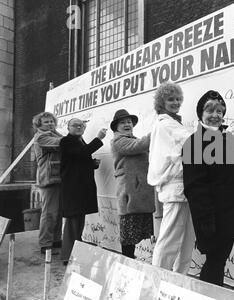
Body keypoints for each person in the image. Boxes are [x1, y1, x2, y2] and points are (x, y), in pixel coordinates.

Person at [182, 90, 234, 286]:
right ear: (200, 112)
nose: (216, 115)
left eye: (220, 110)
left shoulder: (224, 139)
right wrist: (206, 220)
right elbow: (194, 187)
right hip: (213, 218)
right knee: (215, 263)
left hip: (230, 214)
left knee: (218, 262)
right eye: (210, 110)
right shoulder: (194, 142)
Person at [147, 82, 195, 275]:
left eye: (178, 99)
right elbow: (190, 140)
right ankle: (157, 279)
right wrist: (220, 136)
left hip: (182, 187)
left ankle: (178, 281)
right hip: (176, 187)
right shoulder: (166, 123)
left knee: (186, 239)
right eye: (170, 99)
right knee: (170, 239)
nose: (175, 102)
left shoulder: (172, 122)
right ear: (161, 102)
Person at [59, 118, 107, 265]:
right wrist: (98, 138)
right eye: (75, 125)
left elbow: (78, 160)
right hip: (73, 188)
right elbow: (81, 153)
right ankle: (67, 256)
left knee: (79, 222)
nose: (79, 127)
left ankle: (75, 253)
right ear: (68, 127)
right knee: (73, 223)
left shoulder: (79, 141)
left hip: (79, 188)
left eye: (82, 125)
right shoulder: (66, 141)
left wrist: (92, 164)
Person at [110, 109, 155, 259]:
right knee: (128, 234)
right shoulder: (118, 141)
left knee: (134, 232)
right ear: (116, 127)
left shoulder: (133, 139)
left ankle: (130, 260)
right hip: (130, 192)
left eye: (129, 121)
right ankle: (127, 261)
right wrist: (157, 131)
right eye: (122, 122)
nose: (127, 124)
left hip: (139, 191)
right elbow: (140, 145)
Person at [31, 112, 64, 254]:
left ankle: (56, 239)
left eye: (51, 121)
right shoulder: (41, 137)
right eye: (46, 122)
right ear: (39, 125)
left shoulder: (55, 134)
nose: (50, 123)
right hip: (48, 179)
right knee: (49, 213)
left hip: (58, 179)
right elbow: (61, 143)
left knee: (59, 212)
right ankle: (45, 243)